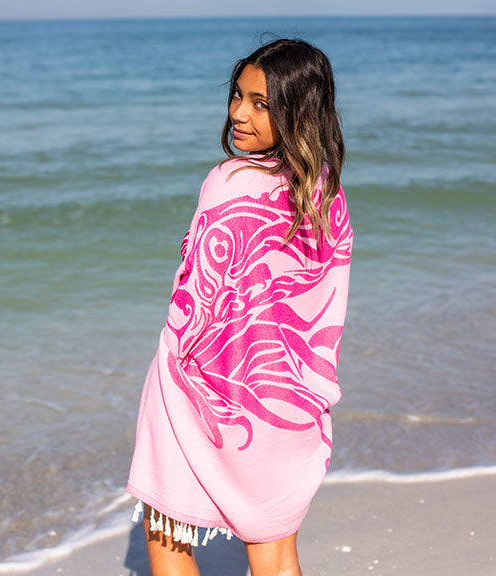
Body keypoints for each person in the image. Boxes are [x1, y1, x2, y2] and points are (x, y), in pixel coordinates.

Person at [126, 38, 352, 576]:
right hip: (289, 399)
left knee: (166, 529)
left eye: (260, 103)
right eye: (237, 96)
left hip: (198, 392)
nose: (238, 114)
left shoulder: (228, 181)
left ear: (296, 111)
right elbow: (321, 302)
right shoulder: (326, 192)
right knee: (274, 552)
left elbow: (195, 296)